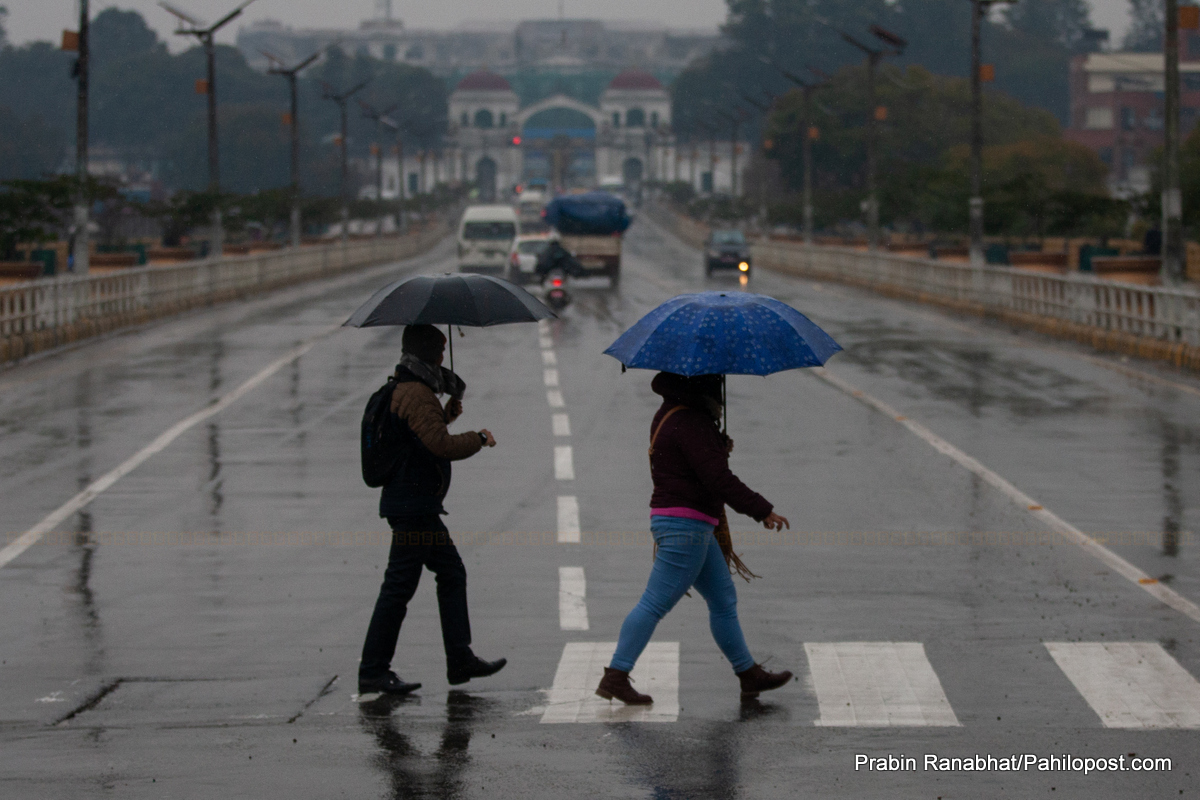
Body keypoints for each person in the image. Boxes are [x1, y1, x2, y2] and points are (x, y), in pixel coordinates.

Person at [595, 372, 793, 705]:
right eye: (715, 389)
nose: (720, 400)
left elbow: (690, 463)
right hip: (685, 527)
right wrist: (762, 510)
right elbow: (717, 478)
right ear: (702, 388)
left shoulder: (673, 414)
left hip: (688, 524)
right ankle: (615, 675)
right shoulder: (691, 422)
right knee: (654, 603)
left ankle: (748, 674)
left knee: (723, 599)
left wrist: (717, 446)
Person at [358, 324, 506, 697]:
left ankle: (459, 658)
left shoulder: (410, 389)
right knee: (399, 588)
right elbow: (439, 445)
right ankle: (374, 670)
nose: (444, 356)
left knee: (451, 573)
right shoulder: (417, 393)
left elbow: (417, 439)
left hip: (415, 504)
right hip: (413, 506)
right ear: (427, 354)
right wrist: (477, 438)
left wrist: (447, 415)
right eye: (440, 350)